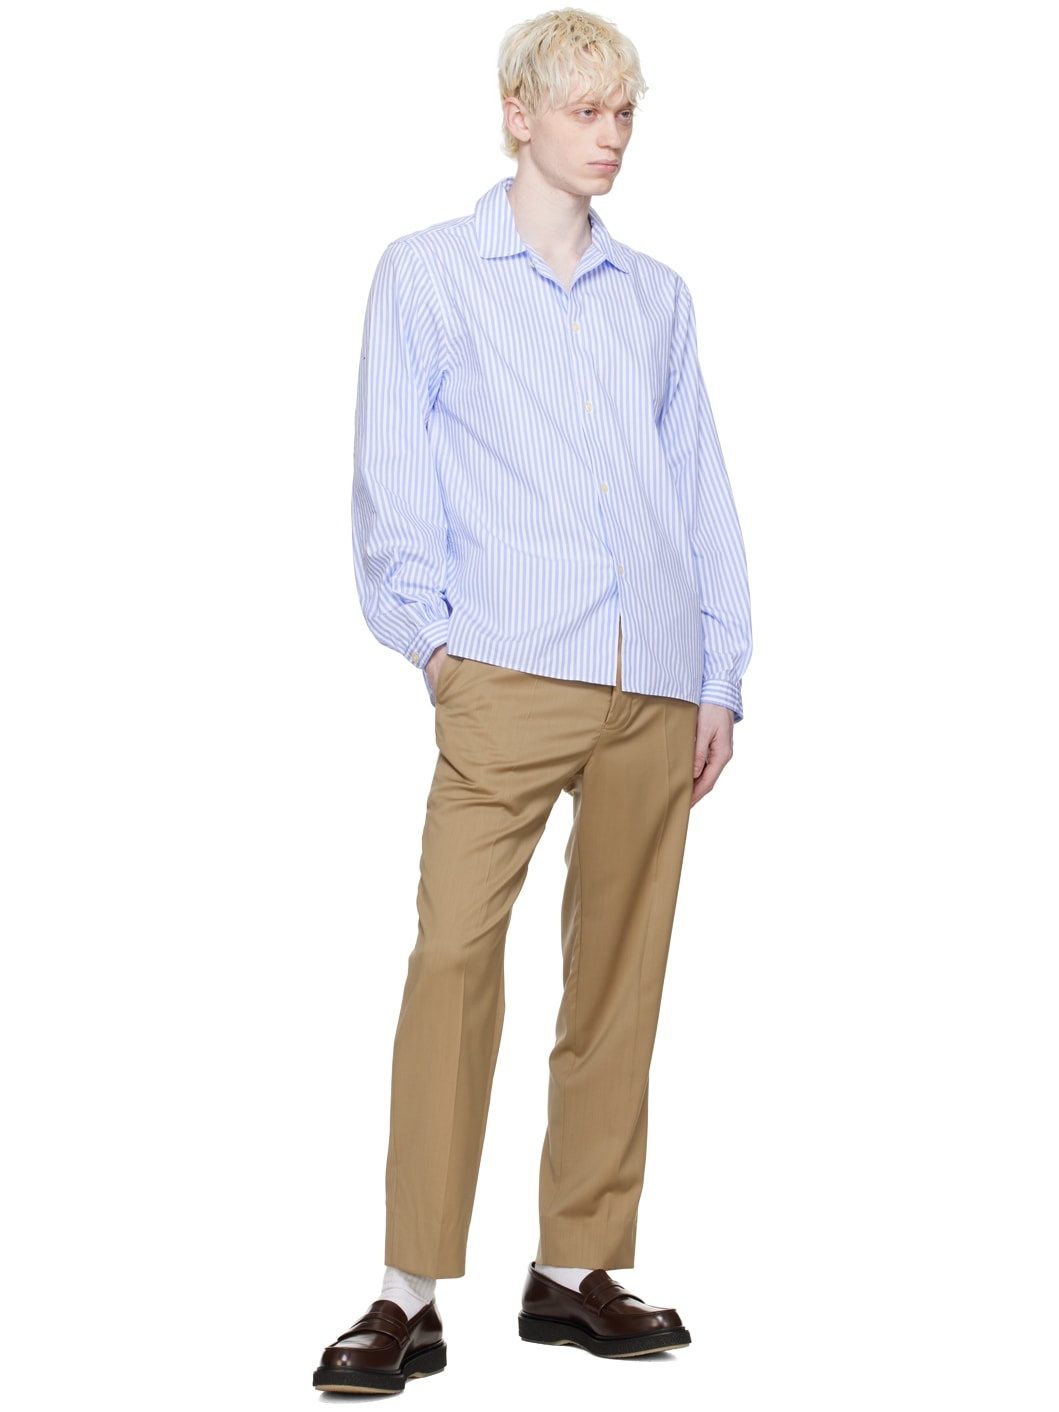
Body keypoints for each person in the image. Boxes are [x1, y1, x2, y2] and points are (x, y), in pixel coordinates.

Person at [313, 7, 752, 1395]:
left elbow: (698, 486)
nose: (610, 137)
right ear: (519, 115)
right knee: (454, 958)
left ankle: (575, 1268)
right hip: (503, 669)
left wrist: (719, 672)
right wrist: (434, 647)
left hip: (651, 679)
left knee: (619, 976)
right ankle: (408, 1291)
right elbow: (391, 475)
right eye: (583, 111)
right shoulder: (429, 275)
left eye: (624, 114)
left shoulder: (656, 297)